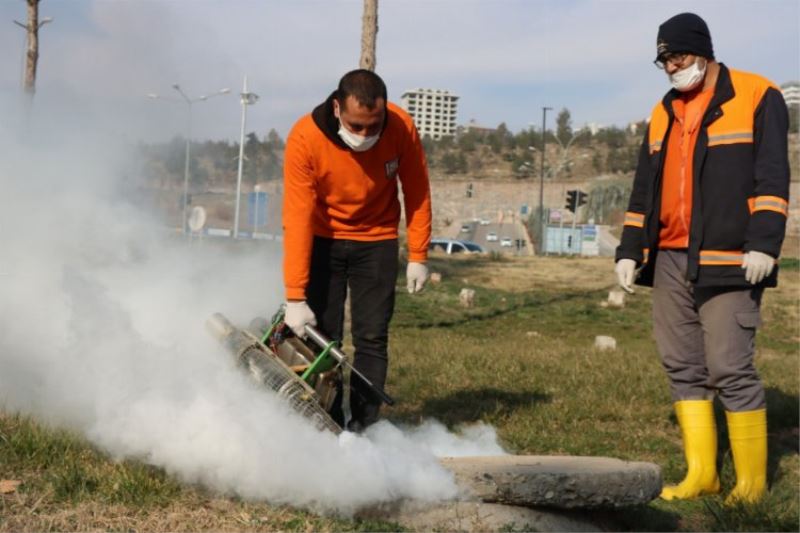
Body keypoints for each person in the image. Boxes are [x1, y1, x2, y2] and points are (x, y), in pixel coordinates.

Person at [614, 13, 789, 504]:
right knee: (681, 364)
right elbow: (643, 189)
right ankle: (703, 474)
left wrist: (764, 243)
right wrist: (630, 250)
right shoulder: (662, 111)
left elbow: (773, 176)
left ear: (704, 51)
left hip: (730, 257)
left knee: (730, 366)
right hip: (668, 257)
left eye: (679, 57)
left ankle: (752, 486)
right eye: (664, 60)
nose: (672, 67)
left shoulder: (757, 95)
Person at [281, 69, 432, 431]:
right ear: (337, 108)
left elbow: (417, 190)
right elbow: (298, 217)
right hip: (323, 238)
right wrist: (295, 296)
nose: (365, 135)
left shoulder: (401, 126)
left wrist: (418, 255)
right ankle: (325, 425)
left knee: (372, 337)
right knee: (322, 336)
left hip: (377, 239)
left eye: (373, 125)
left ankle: (364, 428)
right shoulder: (305, 137)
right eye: (356, 126)